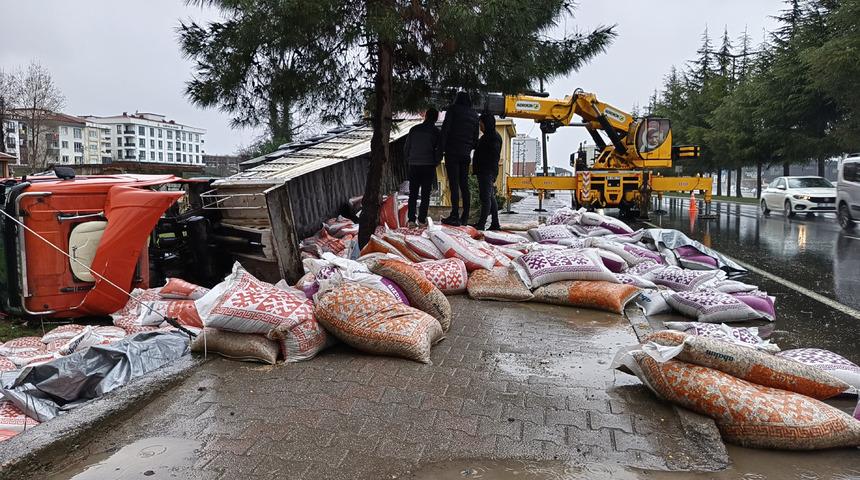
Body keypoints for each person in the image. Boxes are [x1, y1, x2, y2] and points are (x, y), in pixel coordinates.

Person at [439, 91, 479, 226]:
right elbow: (475, 138)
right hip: (465, 154)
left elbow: (445, 130)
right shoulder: (474, 115)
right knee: (464, 184)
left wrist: (441, 149)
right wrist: (468, 148)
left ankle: (454, 215)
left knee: (454, 184)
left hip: (452, 152)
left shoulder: (453, 110)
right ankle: (465, 216)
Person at [403, 108, 440, 226]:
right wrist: (435, 162)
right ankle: (422, 219)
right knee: (425, 194)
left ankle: (411, 220)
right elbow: (439, 151)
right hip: (428, 166)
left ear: (426, 116)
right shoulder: (436, 132)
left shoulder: (414, 130)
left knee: (413, 194)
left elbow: (406, 149)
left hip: (414, 165)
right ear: (436, 118)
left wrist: (410, 160)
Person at [471, 112, 502, 231]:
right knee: (490, 196)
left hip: (486, 171)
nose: (480, 127)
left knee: (485, 198)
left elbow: (491, 156)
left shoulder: (492, 138)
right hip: (486, 170)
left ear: (486, 124)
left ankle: (481, 224)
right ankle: (495, 223)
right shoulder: (488, 136)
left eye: (481, 124)